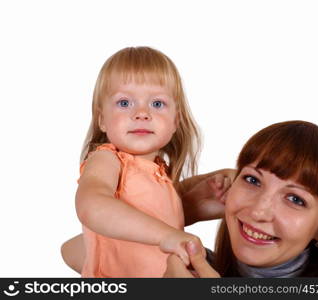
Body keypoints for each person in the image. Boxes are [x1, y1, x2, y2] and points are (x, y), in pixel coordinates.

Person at [64, 46, 233, 277]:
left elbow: (153, 213)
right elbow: (91, 206)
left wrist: (199, 200)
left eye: (157, 104)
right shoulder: (107, 159)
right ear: (102, 119)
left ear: (175, 121)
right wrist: (167, 236)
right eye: (124, 103)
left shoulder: (159, 173)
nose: (142, 113)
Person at [164, 120, 318, 278]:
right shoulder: (188, 270)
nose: (258, 211)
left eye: (295, 199)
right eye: (253, 180)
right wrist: (178, 211)